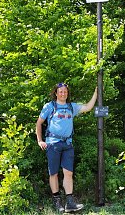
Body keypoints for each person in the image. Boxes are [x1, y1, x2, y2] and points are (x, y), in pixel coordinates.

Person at [36, 82, 97, 213]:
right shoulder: (50, 106)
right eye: (60, 91)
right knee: (53, 173)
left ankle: (70, 203)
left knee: (68, 172)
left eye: (65, 91)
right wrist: (40, 140)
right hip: (52, 143)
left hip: (68, 144)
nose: (63, 93)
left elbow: (88, 107)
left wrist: (96, 92)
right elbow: (39, 123)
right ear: (56, 93)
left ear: (67, 93)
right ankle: (57, 201)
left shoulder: (71, 107)